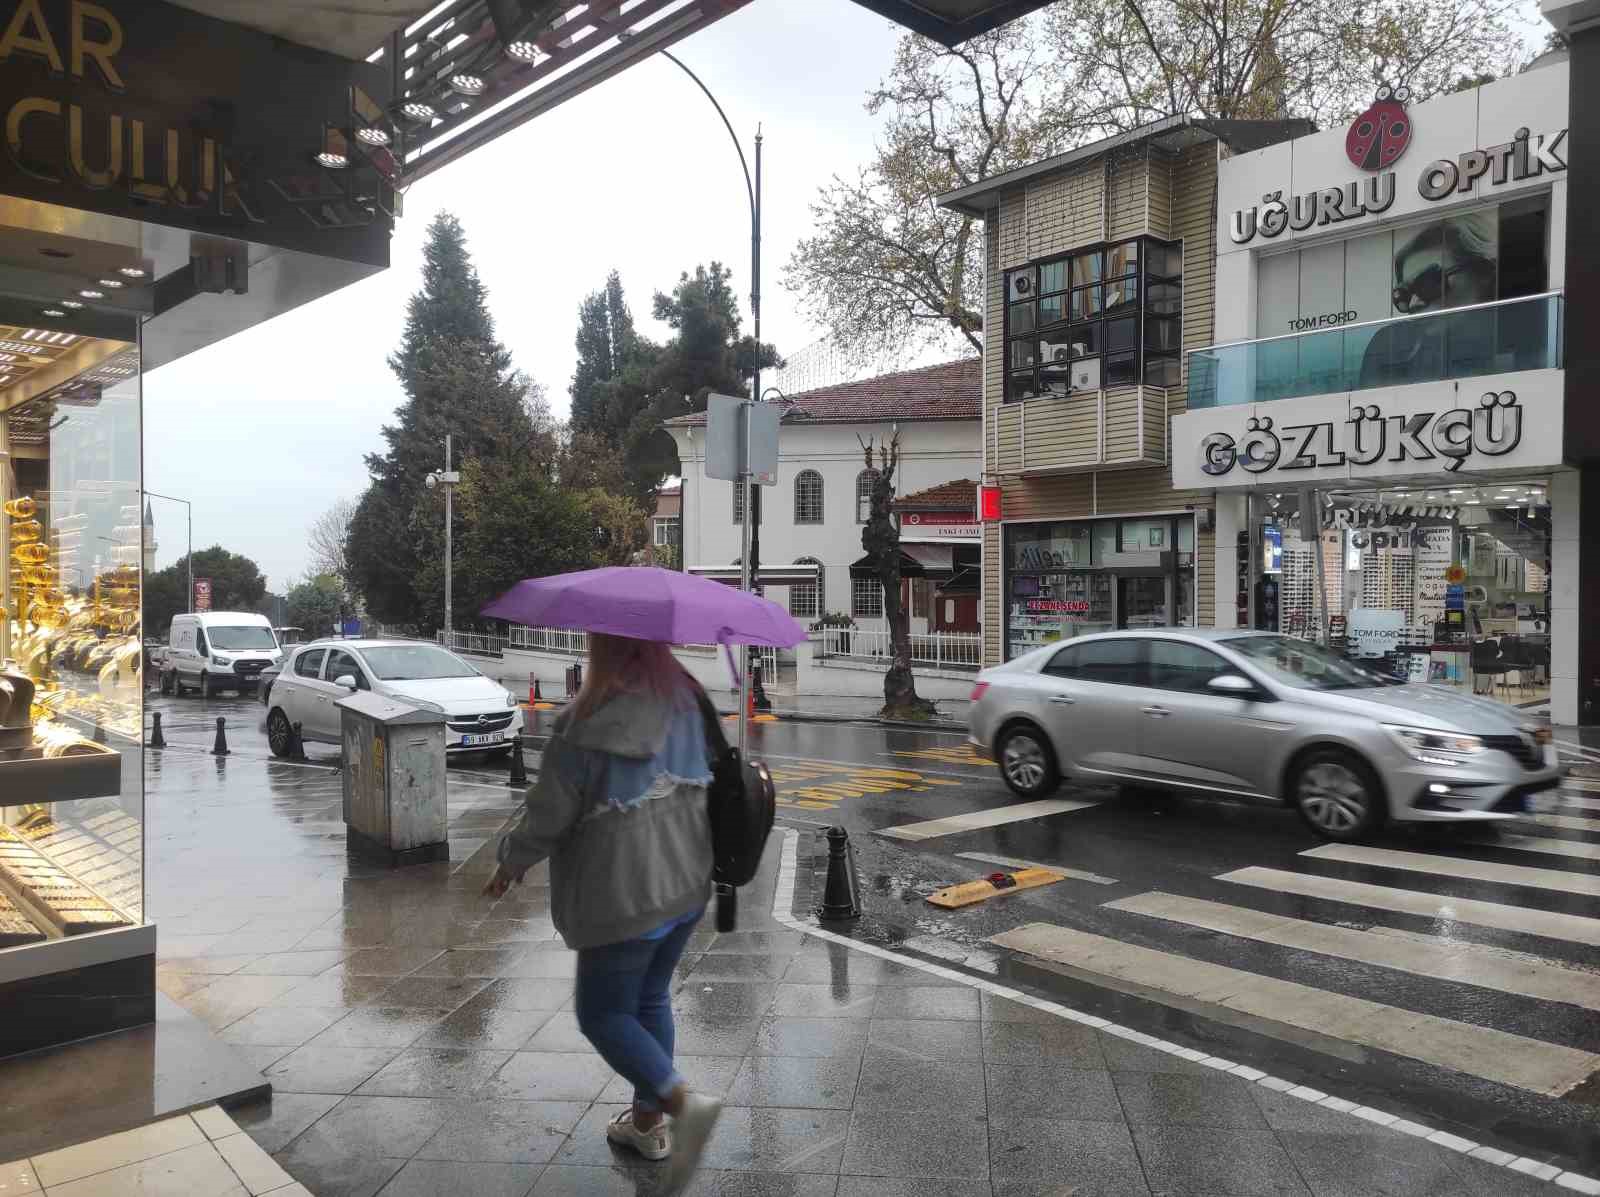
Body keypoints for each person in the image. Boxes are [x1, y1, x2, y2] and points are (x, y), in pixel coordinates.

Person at [482, 632, 721, 1190]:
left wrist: (511, 862)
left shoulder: (584, 721)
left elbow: (547, 815)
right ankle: (646, 1124)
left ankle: (682, 1105)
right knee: (650, 997)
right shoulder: (688, 700)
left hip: (622, 896)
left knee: (603, 1015)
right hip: (686, 882)